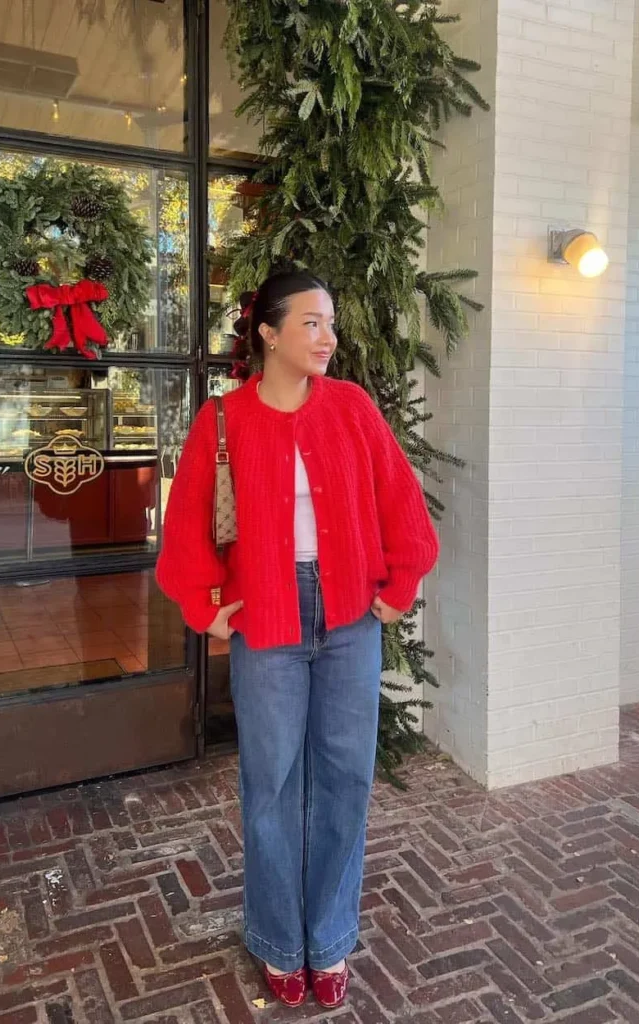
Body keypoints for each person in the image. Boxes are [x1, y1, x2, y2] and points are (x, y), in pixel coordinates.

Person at [156, 270, 438, 1008]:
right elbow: (187, 522)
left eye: (331, 323)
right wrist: (204, 603)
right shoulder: (223, 419)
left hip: (348, 616)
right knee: (272, 783)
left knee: (345, 777)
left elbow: (400, 501)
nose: (327, 337)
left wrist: (397, 588)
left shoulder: (349, 408)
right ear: (269, 333)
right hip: (267, 618)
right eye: (310, 323)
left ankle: (331, 938)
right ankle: (282, 943)